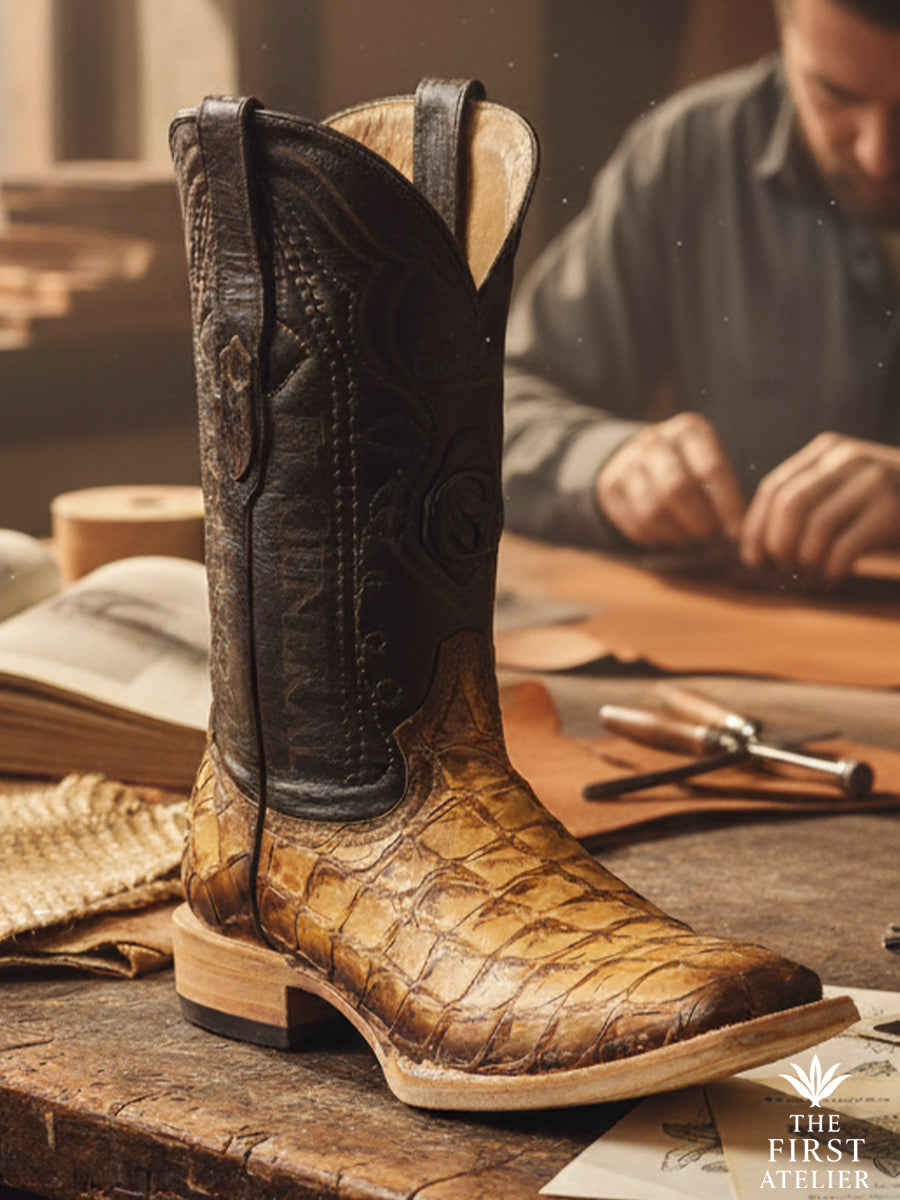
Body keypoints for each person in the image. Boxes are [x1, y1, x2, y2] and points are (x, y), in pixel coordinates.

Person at [503, 0, 900, 583]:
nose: (878, 154)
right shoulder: (691, 152)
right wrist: (606, 463)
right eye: (836, 96)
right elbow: (498, 407)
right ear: (784, 30)